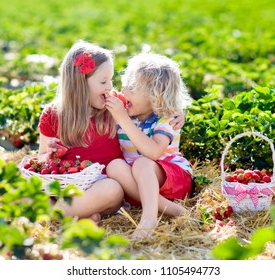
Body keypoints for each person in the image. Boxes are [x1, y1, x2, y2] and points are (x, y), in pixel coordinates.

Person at [38, 41, 185, 223]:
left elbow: (152, 102)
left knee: (112, 189)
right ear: (80, 84)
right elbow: (42, 157)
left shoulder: (114, 105)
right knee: (27, 189)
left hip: (105, 185)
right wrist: (49, 154)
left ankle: (54, 213)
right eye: (103, 81)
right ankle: (75, 213)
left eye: (111, 80)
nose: (110, 87)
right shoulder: (52, 115)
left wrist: (177, 112)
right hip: (70, 185)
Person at [105, 53, 193, 238]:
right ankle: (171, 209)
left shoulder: (166, 119)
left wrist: (122, 118)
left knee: (143, 163)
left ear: (156, 97)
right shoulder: (126, 115)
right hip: (139, 185)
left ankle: (149, 220)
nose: (124, 91)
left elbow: (153, 152)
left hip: (172, 178)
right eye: (126, 84)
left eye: (133, 88)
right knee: (114, 166)